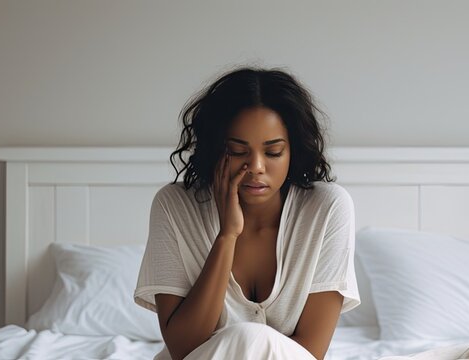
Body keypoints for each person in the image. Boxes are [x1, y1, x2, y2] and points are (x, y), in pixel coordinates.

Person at [134, 66, 360, 360]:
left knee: (251, 337)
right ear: (215, 150)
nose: (255, 166)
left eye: (273, 152)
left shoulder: (326, 209)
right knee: (247, 336)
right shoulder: (174, 206)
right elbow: (183, 349)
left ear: (293, 152)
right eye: (237, 151)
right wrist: (227, 236)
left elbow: (311, 352)